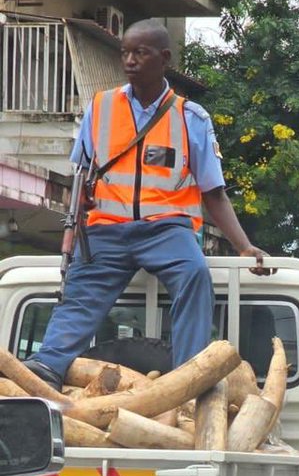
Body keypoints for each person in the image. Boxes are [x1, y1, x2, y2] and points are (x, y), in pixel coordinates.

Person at [24, 19, 269, 389]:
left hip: (167, 229)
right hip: (107, 229)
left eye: (140, 52)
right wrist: (77, 228)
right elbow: (82, 175)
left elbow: (213, 192)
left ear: (164, 58)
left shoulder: (191, 117)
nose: (130, 61)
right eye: (125, 53)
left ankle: (189, 377)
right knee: (81, 293)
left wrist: (243, 245)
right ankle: (48, 367)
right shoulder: (100, 106)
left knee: (194, 276)